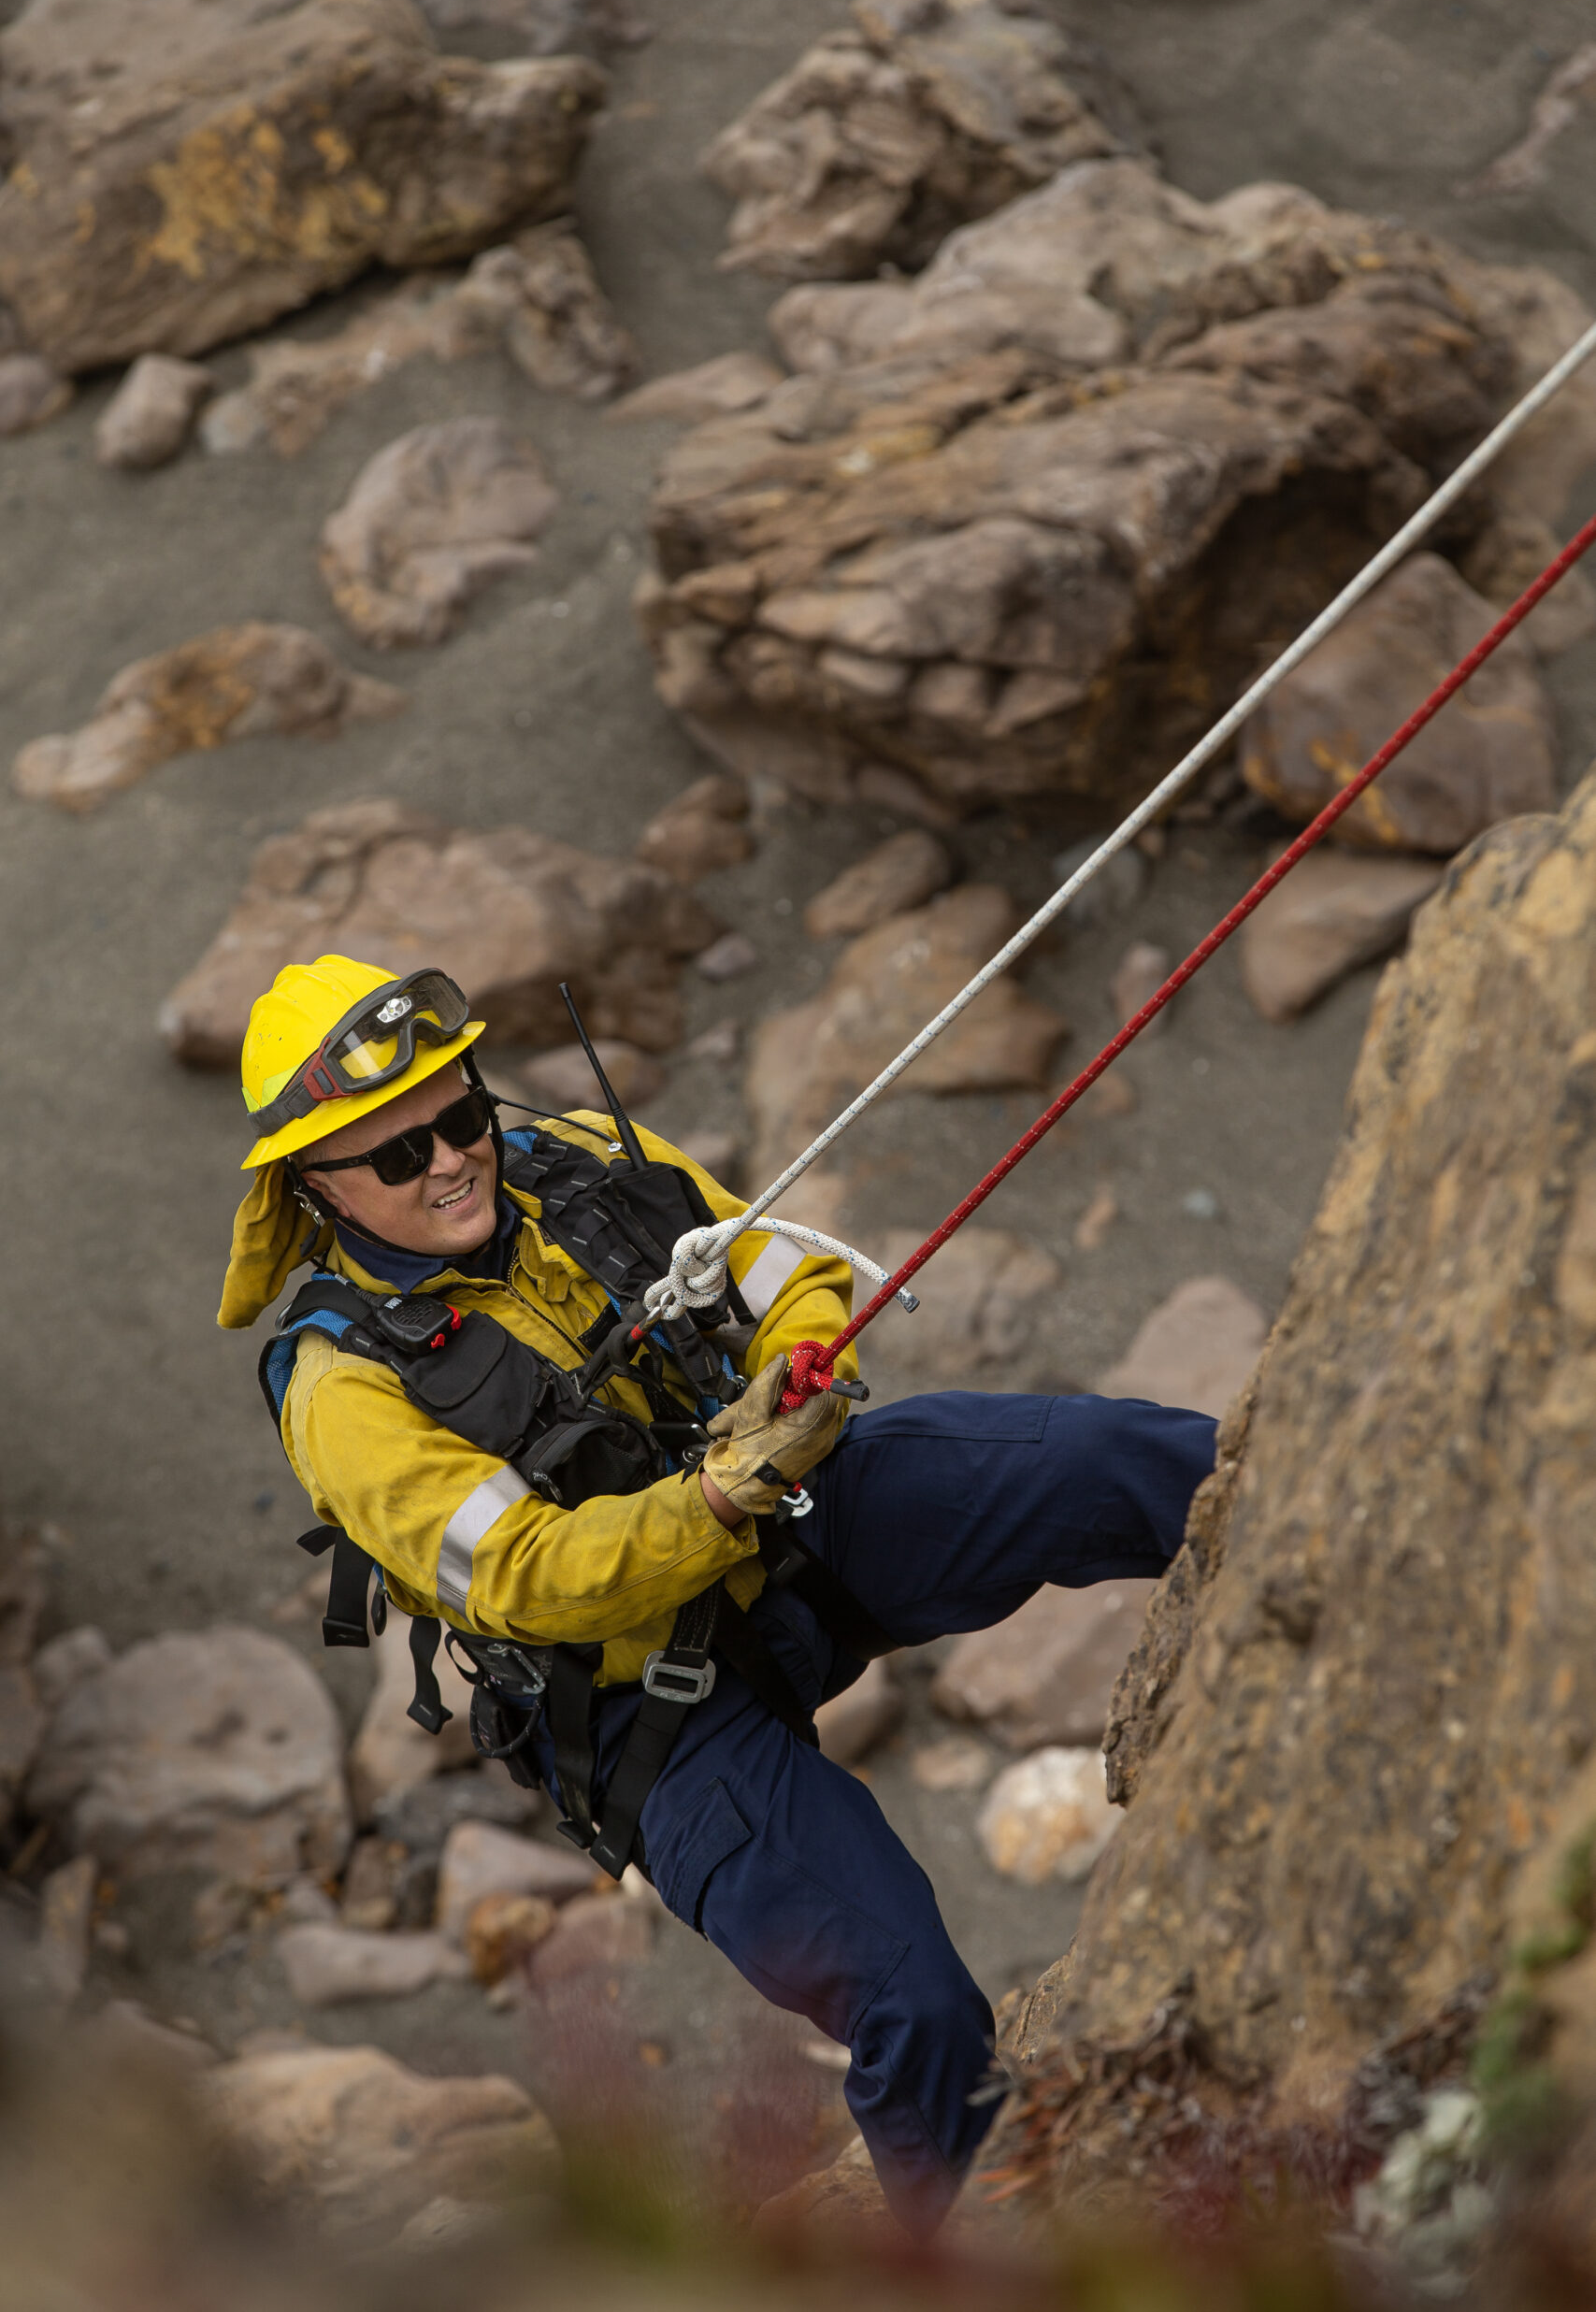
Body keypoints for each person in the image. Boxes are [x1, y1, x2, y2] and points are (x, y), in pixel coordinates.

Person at [219, 953, 1216, 2234]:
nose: (454, 1160)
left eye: (459, 1116)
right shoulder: (342, 1390)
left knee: (1108, 1461)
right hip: (655, 1722)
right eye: (397, 1156)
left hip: (797, 1526)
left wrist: (793, 1372)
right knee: (909, 1998)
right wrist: (721, 1499)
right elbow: (527, 1578)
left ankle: (1345, 1513)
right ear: (314, 1185)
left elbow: (783, 1261)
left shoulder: (574, 1158)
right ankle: (951, 2245)